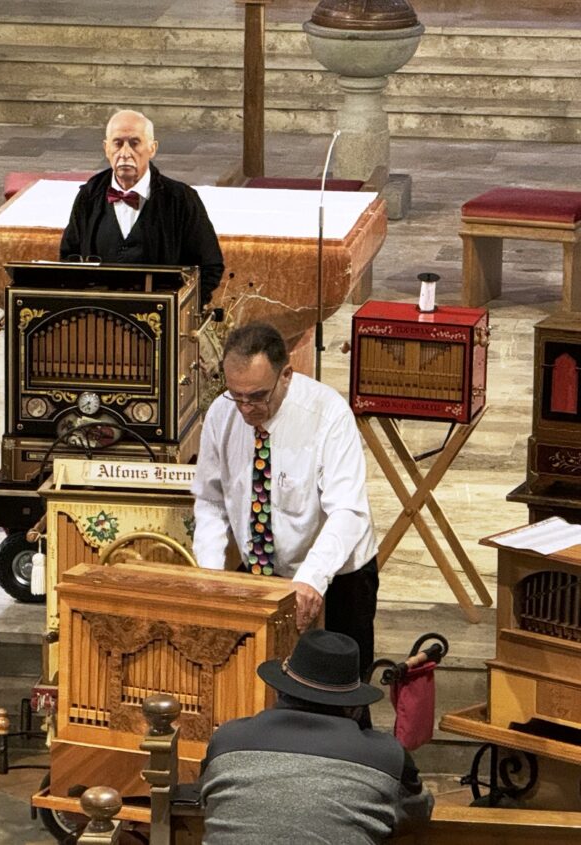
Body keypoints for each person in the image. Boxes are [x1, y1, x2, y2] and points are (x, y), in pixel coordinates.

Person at [191, 321, 378, 679]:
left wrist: (311, 579)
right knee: (253, 683)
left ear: (286, 376)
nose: (246, 408)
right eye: (237, 395)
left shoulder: (329, 414)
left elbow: (347, 512)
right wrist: (212, 576)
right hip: (260, 572)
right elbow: (211, 500)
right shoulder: (222, 413)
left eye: (258, 396)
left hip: (337, 576)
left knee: (338, 694)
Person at [201, 629, 433, 845]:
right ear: (354, 707)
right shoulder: (387, 756)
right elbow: (418, 813)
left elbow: (207, 802)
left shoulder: (227, 740)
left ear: (280, 690)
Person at [59, 109, 224, 307]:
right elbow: (69, 258)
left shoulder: (181, 200)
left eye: (134, 143)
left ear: (152, 148)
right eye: (117, 143)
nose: (125, 153)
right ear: (106, 148)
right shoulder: (89, 196)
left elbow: (209, 266)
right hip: (99, 316)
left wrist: (180, 311)